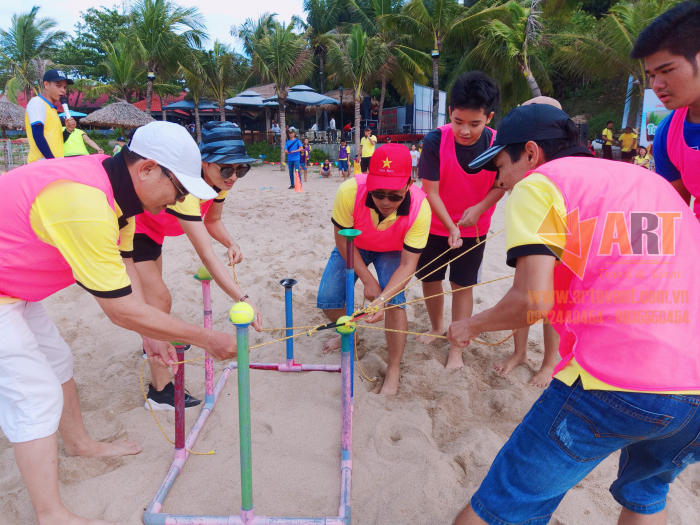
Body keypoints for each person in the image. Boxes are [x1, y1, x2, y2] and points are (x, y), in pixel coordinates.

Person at [449, 103, 700, 525]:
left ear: (530, 154)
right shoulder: (650, 181)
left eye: (500, 167)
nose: (501, 182)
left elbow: (532, 302)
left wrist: (469, 326)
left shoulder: (540, 183)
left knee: (499, 509)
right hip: (693, 392)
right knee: (646, 495)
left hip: (615, 383)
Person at [0, 120, 237, 525]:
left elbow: (126, 274)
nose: (176, 200)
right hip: (6, 287)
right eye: (177, 189)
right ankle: (50, 514)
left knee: (57, 361)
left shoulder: (118, 195)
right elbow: (119, 309)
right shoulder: (87, 204)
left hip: (14, 286)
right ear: (146, 169)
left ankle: (78, 443)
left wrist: (152, 335)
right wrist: (205, 338)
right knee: (35, 394)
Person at [133, 121, 262, 409]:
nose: (233, 177)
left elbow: (213, 221)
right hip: (135, 228)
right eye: (226, 169)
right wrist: (243, 297)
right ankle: (160, 392)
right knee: (158, 299)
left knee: (155, 302)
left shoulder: (219, 186)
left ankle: (151, 343)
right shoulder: (188, 192)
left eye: (241, 169)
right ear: (204, 164)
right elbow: (206, 256)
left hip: (154, 232)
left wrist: (230, 242)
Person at [316, 144, 431, 395]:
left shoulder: (420, 207)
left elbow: (409, 264)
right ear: (369, 180)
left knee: (395, 302)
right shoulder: (349, 191)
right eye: (379, 194)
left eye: (394, 196)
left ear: (409, 184)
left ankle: (393, 367)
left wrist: (381, 298)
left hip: (393, 251)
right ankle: (351, 333)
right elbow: (341, 241)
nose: (385, 202)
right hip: (353, 244)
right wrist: (368, 280)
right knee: (327, 299)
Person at [415, 71, 505, 369]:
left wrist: (479, 209)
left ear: (489, 117)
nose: (465, 130)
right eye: (458, 121)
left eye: (474, 124)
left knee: (462, 284)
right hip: (436, 224)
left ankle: (457, 347)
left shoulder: (498, 144)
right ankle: (437, 326)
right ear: (450, 112)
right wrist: (451, 226)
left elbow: (502, 184)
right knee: (431, 279)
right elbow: (430, 191)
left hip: (475, 228)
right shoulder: (434, 141)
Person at [631, 1, 700, 219]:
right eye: (652, 75)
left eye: (667, 70)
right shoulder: (668, 133)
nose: (657, 85)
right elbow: (674, 214)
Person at [25, 69, 76, 163]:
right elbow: (38, 137)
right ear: (46, 85)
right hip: (42, 165)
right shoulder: (37, 102)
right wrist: (53, 162)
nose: (63, 90)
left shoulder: (52, 109)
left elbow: (58, 142)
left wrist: (68, 130)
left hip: (52, 164)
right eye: (58, 86)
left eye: (64, 87)